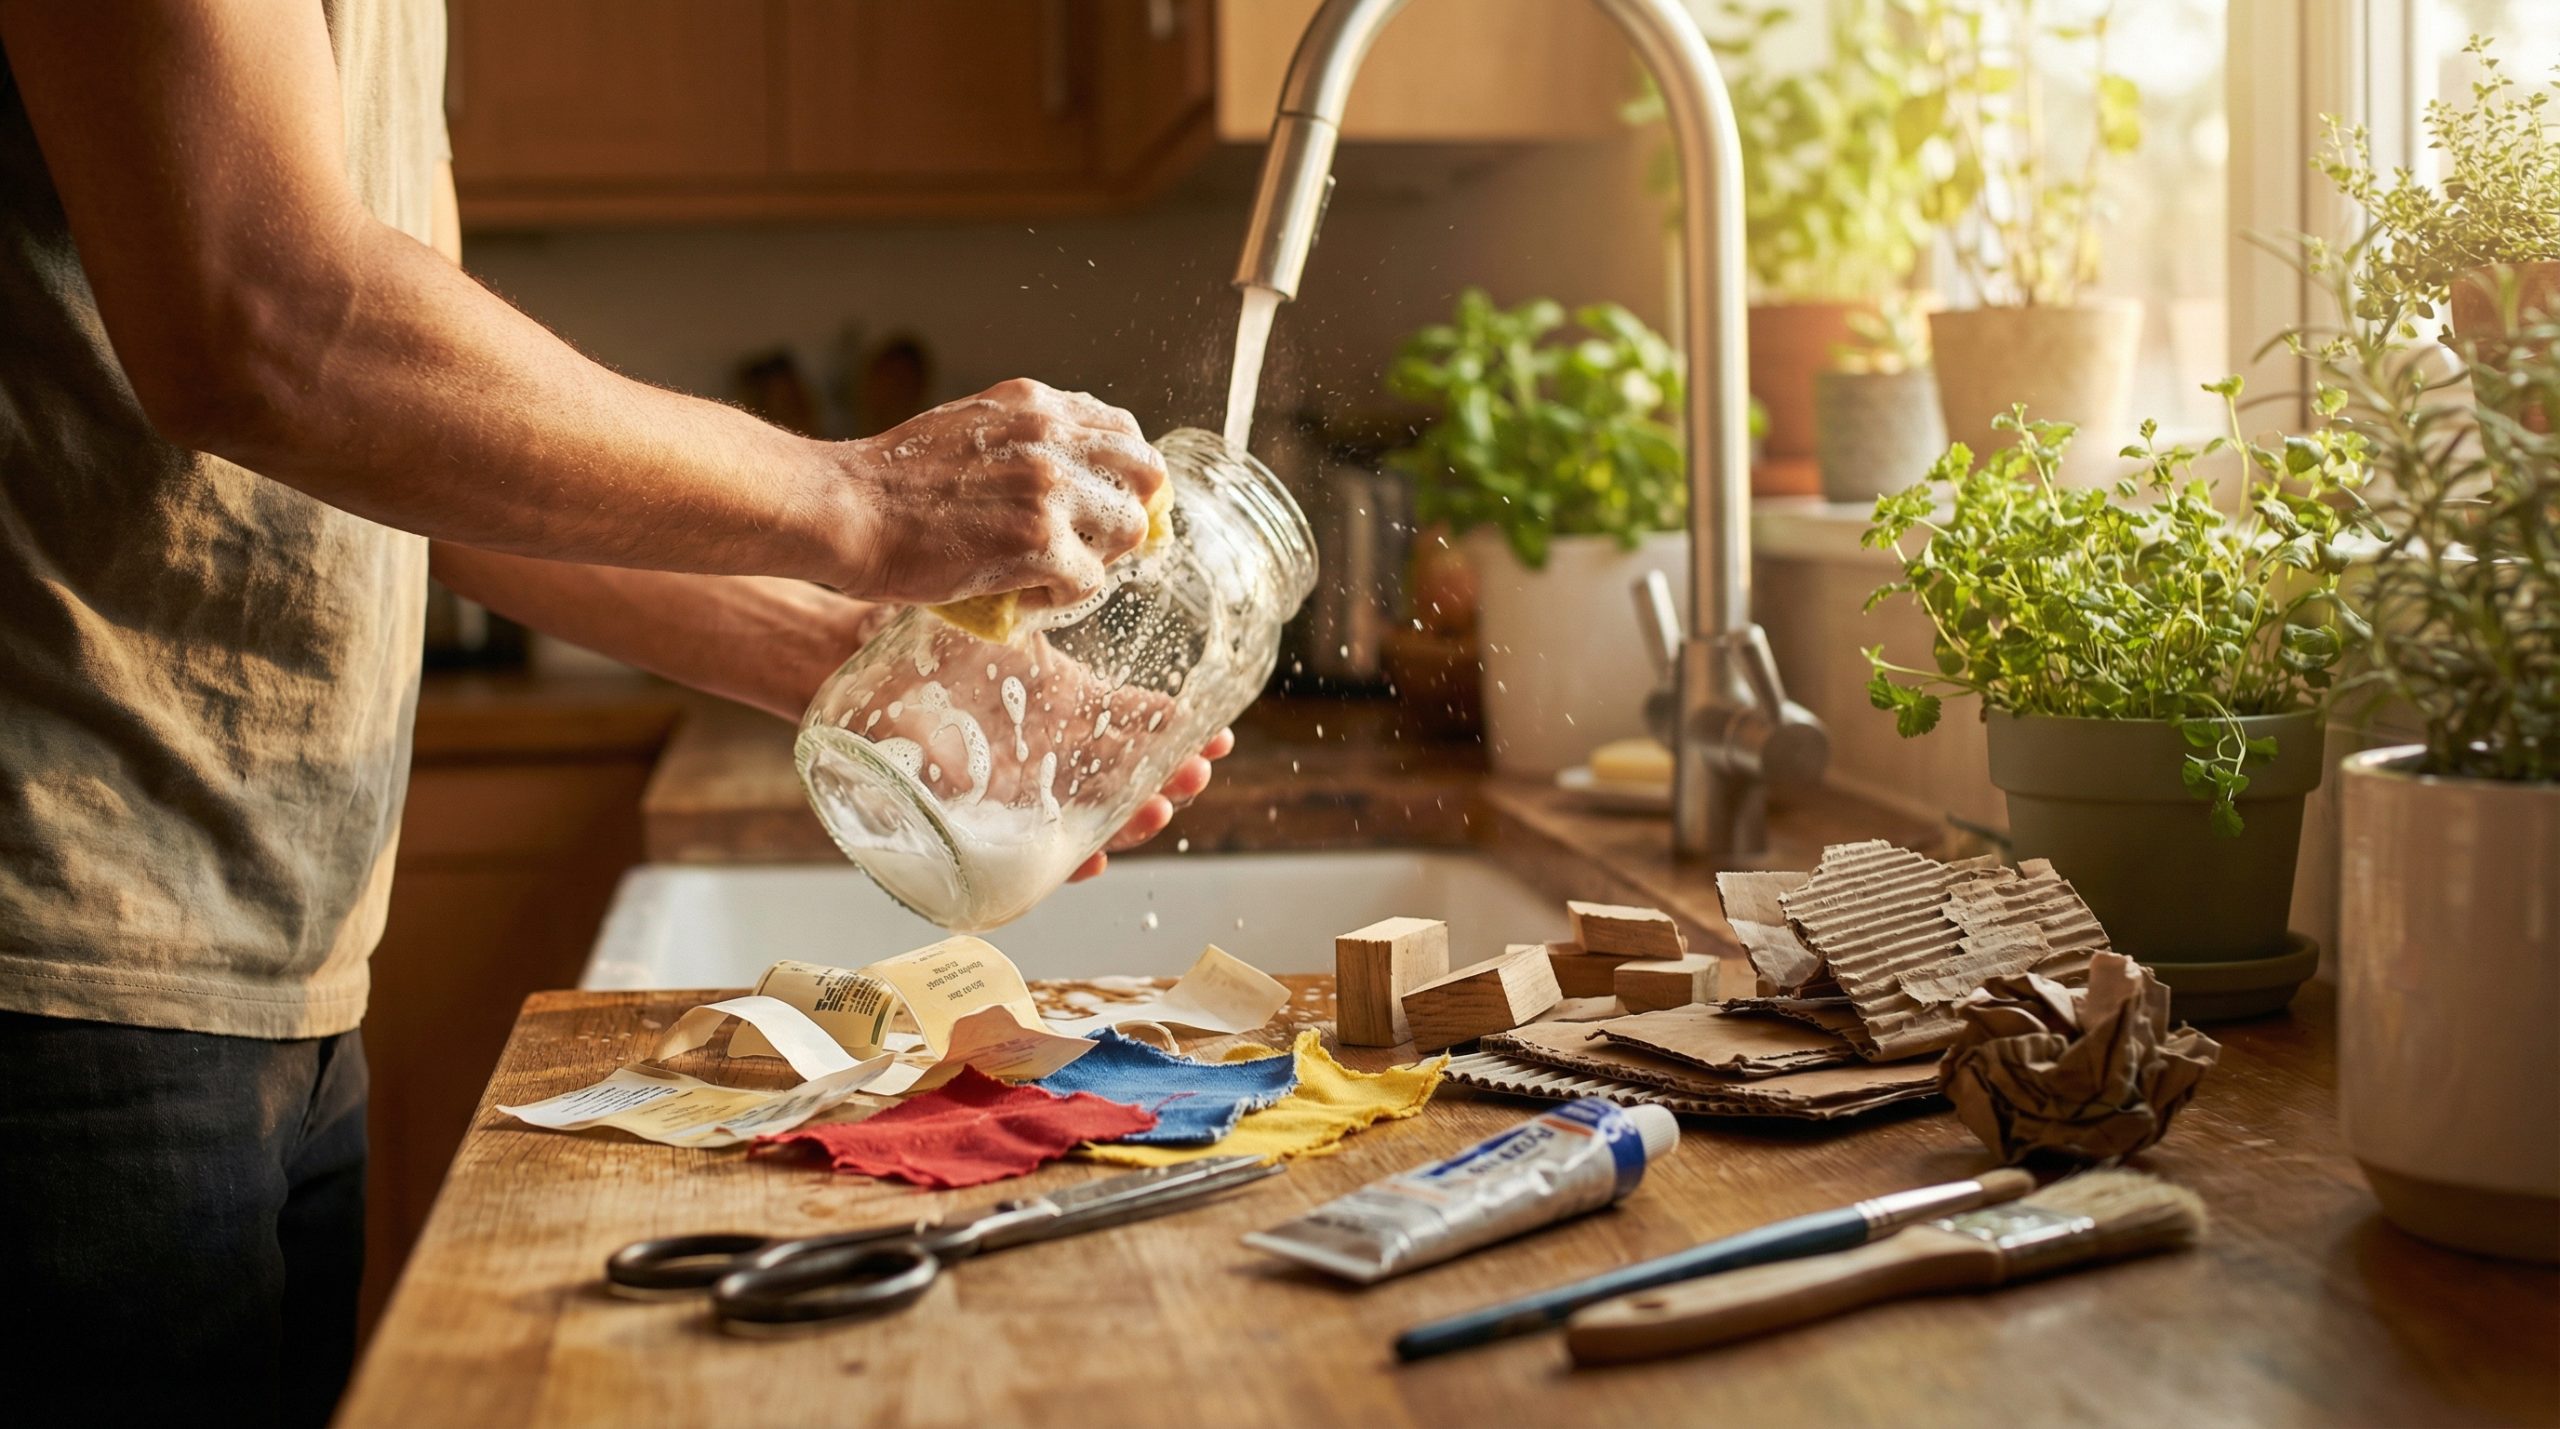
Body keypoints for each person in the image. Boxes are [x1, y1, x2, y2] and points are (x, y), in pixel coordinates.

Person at [0, 3, 1228, 1423]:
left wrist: (856, 659)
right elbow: (263, 327)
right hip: (60, 954)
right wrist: (862, 500)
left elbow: (406, 454)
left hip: (269, 969)